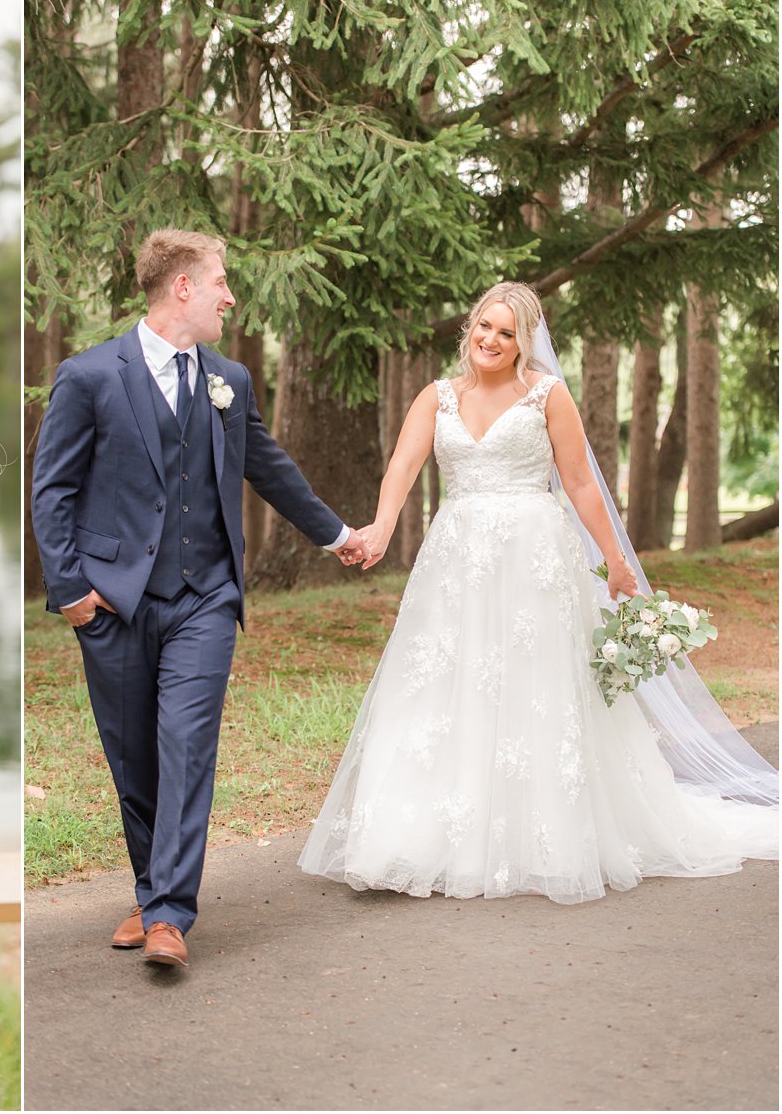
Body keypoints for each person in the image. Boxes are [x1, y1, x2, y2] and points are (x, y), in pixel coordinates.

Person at [297, 282, 777, 902]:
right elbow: (403, 469)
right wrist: (382, 530)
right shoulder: (436, 397)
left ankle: (548, 832)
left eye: (506, 333)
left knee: (536, 682)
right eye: (484, 327)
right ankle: (417, 836)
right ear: (470, 328)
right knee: (446, 681)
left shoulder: (548, 395)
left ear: (525, 342)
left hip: (535, 554)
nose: (490, 341)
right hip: (457, 556)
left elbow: (579, 484)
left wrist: (615, 559)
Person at [30, 228, 370, 968]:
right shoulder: (89, 376)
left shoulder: (229, 381)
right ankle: (154, 894)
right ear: (181, 286)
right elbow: (51, 489)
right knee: (135, 759)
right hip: (114, 602)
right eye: (220, 281)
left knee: (186, 743)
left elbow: (269, 468)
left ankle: (169, 917)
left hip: (205, 597)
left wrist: (335, 533)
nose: (230, 296)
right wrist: (74, 595)